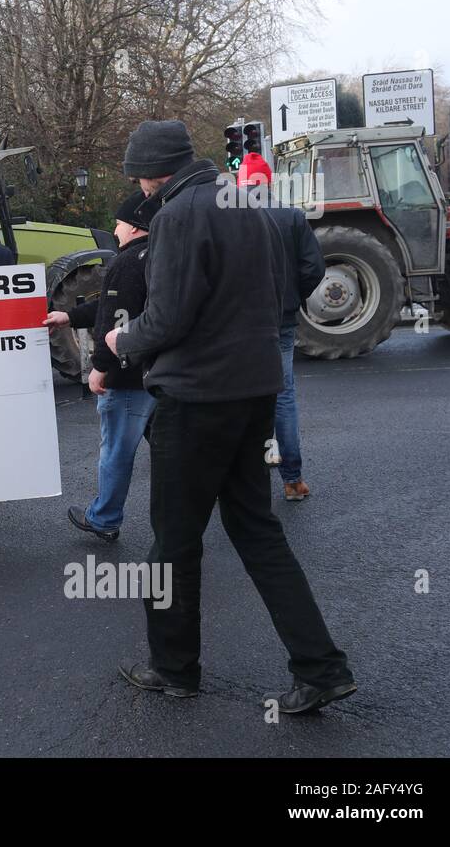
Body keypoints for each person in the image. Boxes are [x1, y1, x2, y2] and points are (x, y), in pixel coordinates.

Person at [106, 120, 356, 715]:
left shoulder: (174, 217)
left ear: (150, 173)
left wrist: (121, 339)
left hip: (194, 400)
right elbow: (286, 290)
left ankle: (174, 670)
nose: (138, 188)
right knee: (257, 530)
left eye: (137, 176)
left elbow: (167, 320)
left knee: (173, 541)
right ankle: (321, 668)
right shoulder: (247, 203)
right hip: (257, 390)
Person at [44, 188, 160, 542]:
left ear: (136, 226)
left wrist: (102, 367)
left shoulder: (126, 262)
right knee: (175, 447)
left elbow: (116, 320)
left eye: (120, 222)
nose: (115, 228)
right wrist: (70, 315)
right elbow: (116, 308)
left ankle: (105, 517)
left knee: (116, 452)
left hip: (127, 378)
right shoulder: (161, 258)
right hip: (159, 373)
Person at [237, 152, 325, 502]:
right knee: (283, 395)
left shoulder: (231, 220)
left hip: (240, 321)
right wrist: (292, 297)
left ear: (242, 185)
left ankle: (239, 482)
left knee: (240, 397)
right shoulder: (291, 216)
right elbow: (313, 267)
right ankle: (292, 481)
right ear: (270, 182)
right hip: (282, 319)